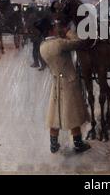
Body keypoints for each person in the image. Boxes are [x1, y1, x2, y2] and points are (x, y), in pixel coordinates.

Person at [39, 20, 91, 153]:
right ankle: (78, 144)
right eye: (54, 27)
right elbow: (79, 42)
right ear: (51, 30)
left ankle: (53, 144)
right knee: (73, 114)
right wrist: (68, 32)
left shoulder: (43, 46)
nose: (56, 29)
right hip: (69, 81)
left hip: (56, 82)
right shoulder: (59, 43)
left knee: (55, 113)